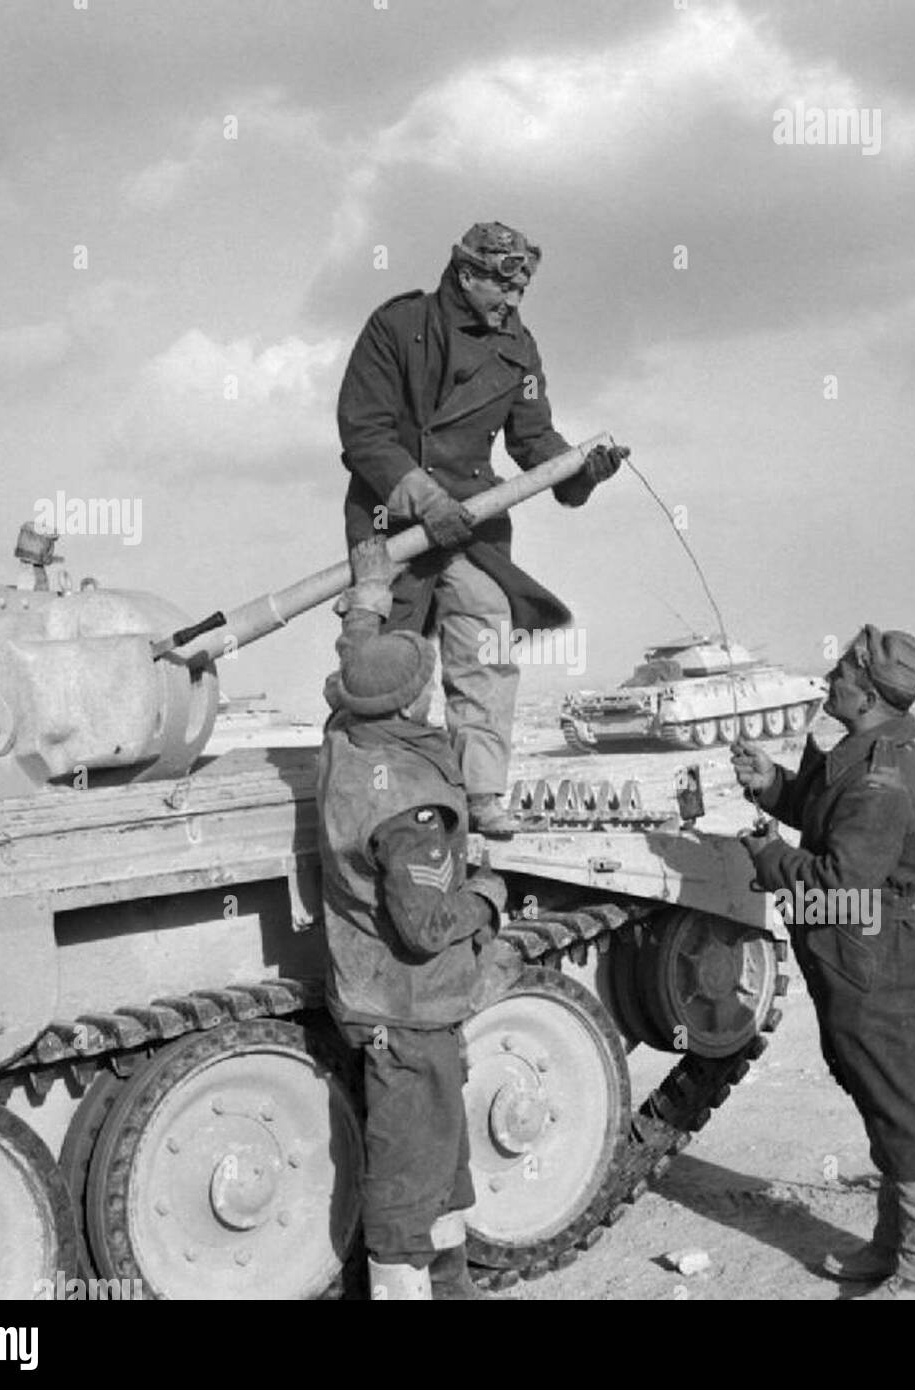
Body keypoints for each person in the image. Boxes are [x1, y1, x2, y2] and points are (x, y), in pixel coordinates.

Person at [733, 625, 915, 1300]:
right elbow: (829, 814)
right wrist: (773, 787)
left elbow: (841, 882)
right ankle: (896, 1247)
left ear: (867, 693)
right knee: (886, 1102)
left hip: (879, 964)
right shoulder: (866, 754)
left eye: (838, 675)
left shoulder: (882, 779)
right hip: (860, 956)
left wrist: (770, 858)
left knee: (906, 1107)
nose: (828, 682)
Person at [336, 220, 628, 836]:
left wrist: (579, 470)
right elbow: (365, 432)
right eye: (504, 290)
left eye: (522, 293)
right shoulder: (397, 327)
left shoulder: (518, 347)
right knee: (391, 669)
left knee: (487, 649)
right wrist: (423, 498)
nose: (514, 305)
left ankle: (482, 794)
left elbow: (532, 439)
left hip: (473, 520)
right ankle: (396, 801)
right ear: (467, 275)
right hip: (393, 521)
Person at [314, 536, 510, 1300]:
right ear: (416, 699)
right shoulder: (411, 810)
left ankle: (452, 1288)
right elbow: (427, 929)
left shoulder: (347, 734)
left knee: (442, 1170)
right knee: (409, 1186)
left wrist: (367, 595)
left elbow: (355, 664)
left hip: (376, 994)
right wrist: (489, 895)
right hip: (410, 1008)